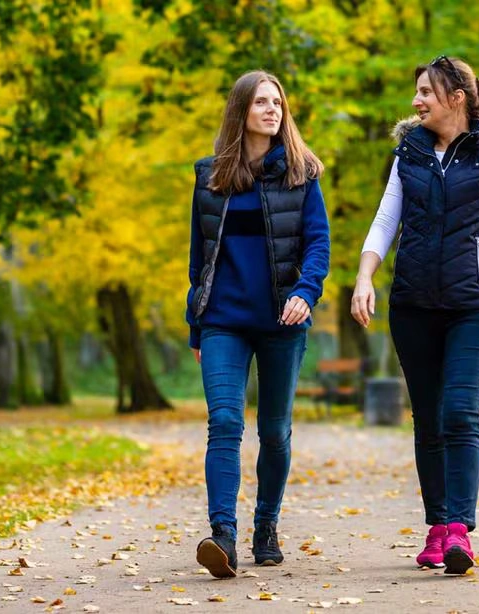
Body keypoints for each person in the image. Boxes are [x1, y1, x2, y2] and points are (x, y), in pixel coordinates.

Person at [350, 55, 479, 575]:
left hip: (475, 305)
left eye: (425, 93)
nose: (416, 102)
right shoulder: (408, 152)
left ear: (456, 97)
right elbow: (385, 219)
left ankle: (460, 528)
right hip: (413, 304)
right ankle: (437, 526)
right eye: (416, 93)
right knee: (428, 420)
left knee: (460, 410)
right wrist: (365, 276)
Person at [186, 70, 330, 579]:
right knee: (224, 422)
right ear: (241, 110)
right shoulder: (210, 177)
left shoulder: (302, 173)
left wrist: (305, 292)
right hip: (223, 321)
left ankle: (265, 525)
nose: (273, 110)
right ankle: (221, 535)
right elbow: (199, 259)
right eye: (262, 102)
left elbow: (318, 245)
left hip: (281, 322)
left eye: (278, 102)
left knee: (274, 432)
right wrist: (195, 327)